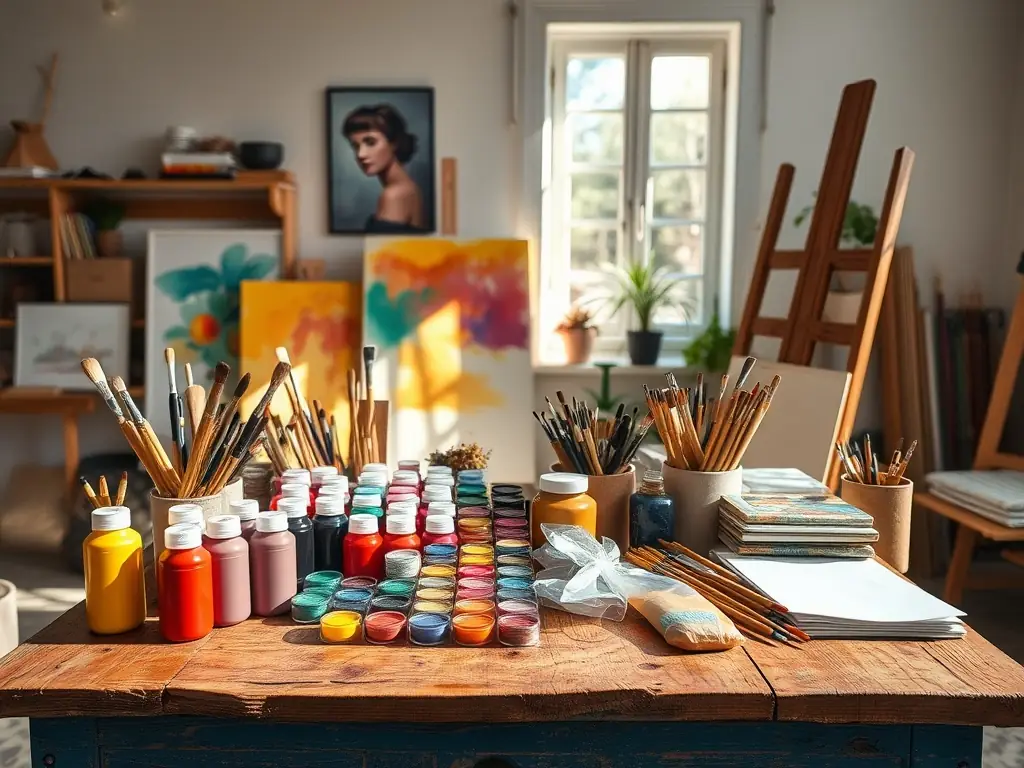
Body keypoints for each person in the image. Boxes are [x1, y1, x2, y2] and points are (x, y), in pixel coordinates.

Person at [342, 104, 426, 232]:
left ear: (394, 143)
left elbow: (385, 251)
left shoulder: (394, 195)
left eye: (370, 142)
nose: (360, 154)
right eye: (355, 146)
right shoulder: (409, 187)